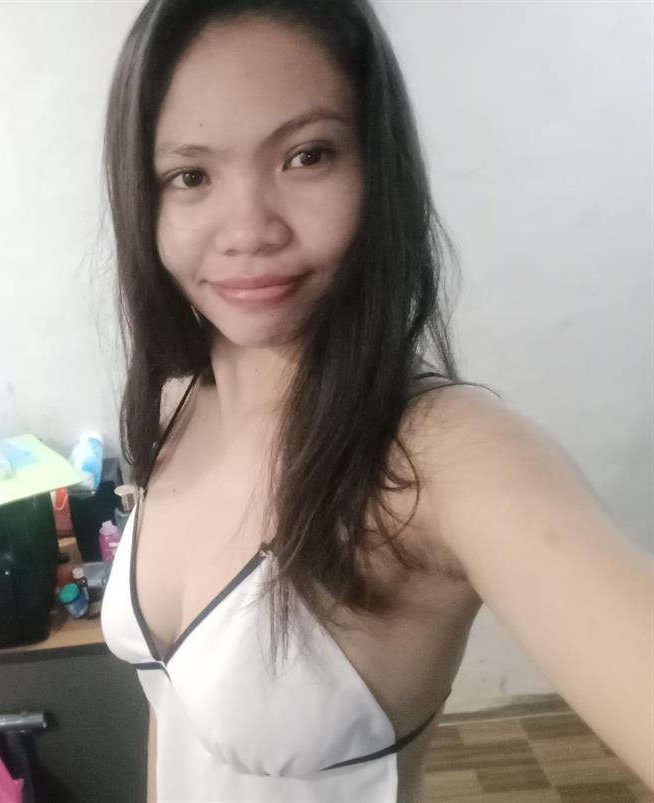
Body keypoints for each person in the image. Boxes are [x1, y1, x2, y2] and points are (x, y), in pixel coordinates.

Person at [97, 1, 654, 801]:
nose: (249, 229)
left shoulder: (442, 458)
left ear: (377, 170)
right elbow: (173, 716)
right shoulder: (177, 408)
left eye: (307, 156)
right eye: (191, 176)